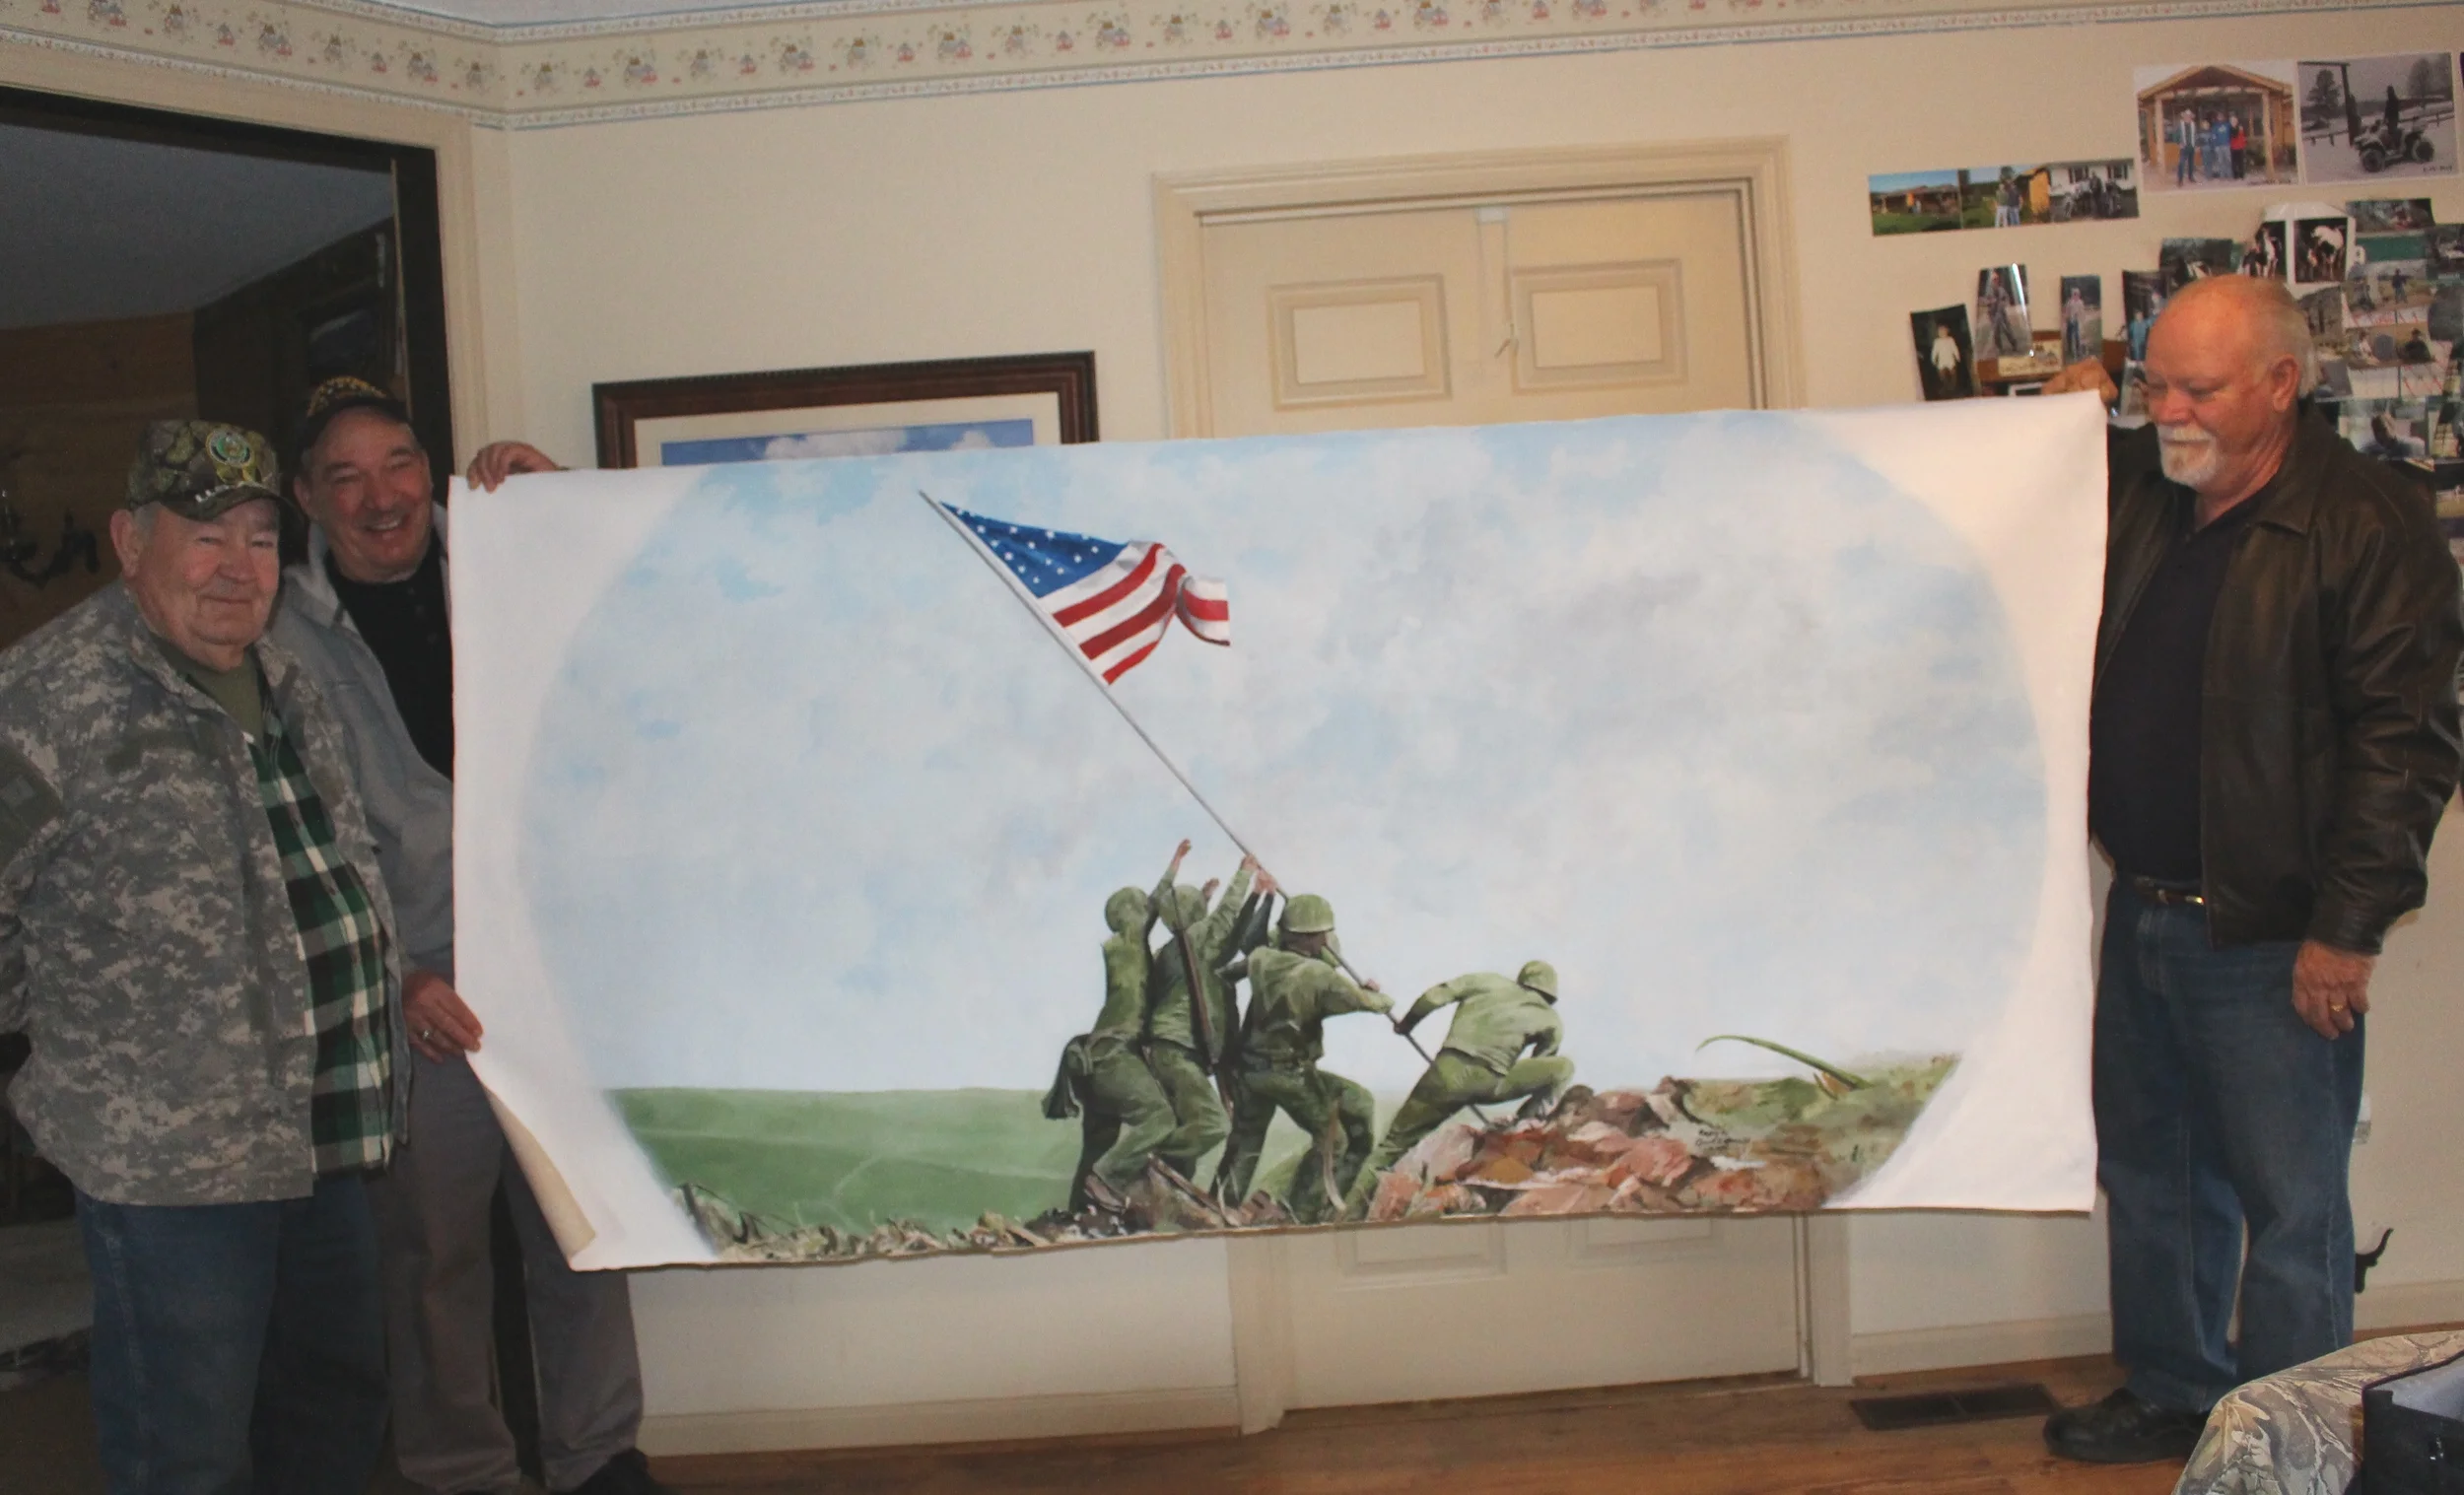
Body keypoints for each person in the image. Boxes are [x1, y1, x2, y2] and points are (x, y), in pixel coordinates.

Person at [2036, 276, 2463, 1463]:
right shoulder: (2155, 482)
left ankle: (2291, 1437)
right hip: (2144, 907)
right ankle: (2176, 1389)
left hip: (2277, 931)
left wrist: (2347, 928)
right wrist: (2066, 409)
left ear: (2281, 384)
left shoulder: (2363, 523)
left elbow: (2405, 746)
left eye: (2198, 389)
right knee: (2154, 1174)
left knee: (2289, 1205)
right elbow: (2049, 477)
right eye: (2153, 384)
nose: (2168, 410)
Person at [272, 376, 673, 1495]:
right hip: (418, 993)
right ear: (308, 498)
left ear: (430, 469)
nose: (381, 496)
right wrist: (394, 975)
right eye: (346, 476)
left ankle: (598, 1458)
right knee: (431, 1256)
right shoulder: (280, 637)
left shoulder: (513, 556)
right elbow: (297, 840)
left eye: (399, 463)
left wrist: (564, 505)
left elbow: (644, 612)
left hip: (556, 977)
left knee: (580, 1228)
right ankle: (462, 1471)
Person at [0, 420, 404, 1494]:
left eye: (261, 537)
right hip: (172, 1166)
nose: (238, 565)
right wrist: (87, 1038)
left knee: (336, 1409)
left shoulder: (287, 679)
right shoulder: (46, 698)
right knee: (188, 1448)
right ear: (132, 541)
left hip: (326, 1132)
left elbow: (343, 862)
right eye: (206, 534)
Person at [1343, 961, 1573, 1218]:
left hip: (1443, 1075)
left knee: (1391, 1146)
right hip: (1490, 1082)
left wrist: (1407, 1024)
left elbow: (1433, 997)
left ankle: (1347, 1214)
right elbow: (1541, 1063)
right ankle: (1525, 1124)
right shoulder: (1551, 1020)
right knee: (1564, 1067)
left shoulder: (1486, 980)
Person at [1212, 893, 1391, 1223]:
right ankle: (1300, 1212)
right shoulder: (1321, 976)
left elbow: (1223, 975)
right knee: (1333, 1140)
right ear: (1316, 937)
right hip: (1291, 1074)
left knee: (1247, 1138)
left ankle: (1220, 1204)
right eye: (1325, 934)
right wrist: (1375, 994)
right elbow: (1374, 1004)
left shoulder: (1262, 958)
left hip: (1249, 1070)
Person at [1042, 843, 1192, 1212]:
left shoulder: (1125, 947)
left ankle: (1078, 1211)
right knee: (1159, 1118)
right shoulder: (1129, 942)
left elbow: (1152, 908)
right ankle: (1107, 1178)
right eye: (1141, 909)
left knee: (1098, 1142)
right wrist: (1174, 867)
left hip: (1094, 1059)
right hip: (1113, 1056)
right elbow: (1154, 905)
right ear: (1132, 915)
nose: (1148, 912)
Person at [1139, 852, 1261, 1183]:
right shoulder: (1195, 941)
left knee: (1187, 1129)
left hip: (1164, 1050)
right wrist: (1244, 874)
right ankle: (1140, 1163)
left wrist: (1204, 899)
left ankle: (1165, 1186)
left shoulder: (1167, 951)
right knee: (1212, 1125)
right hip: (1179, 1049)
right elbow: (1224, 918)